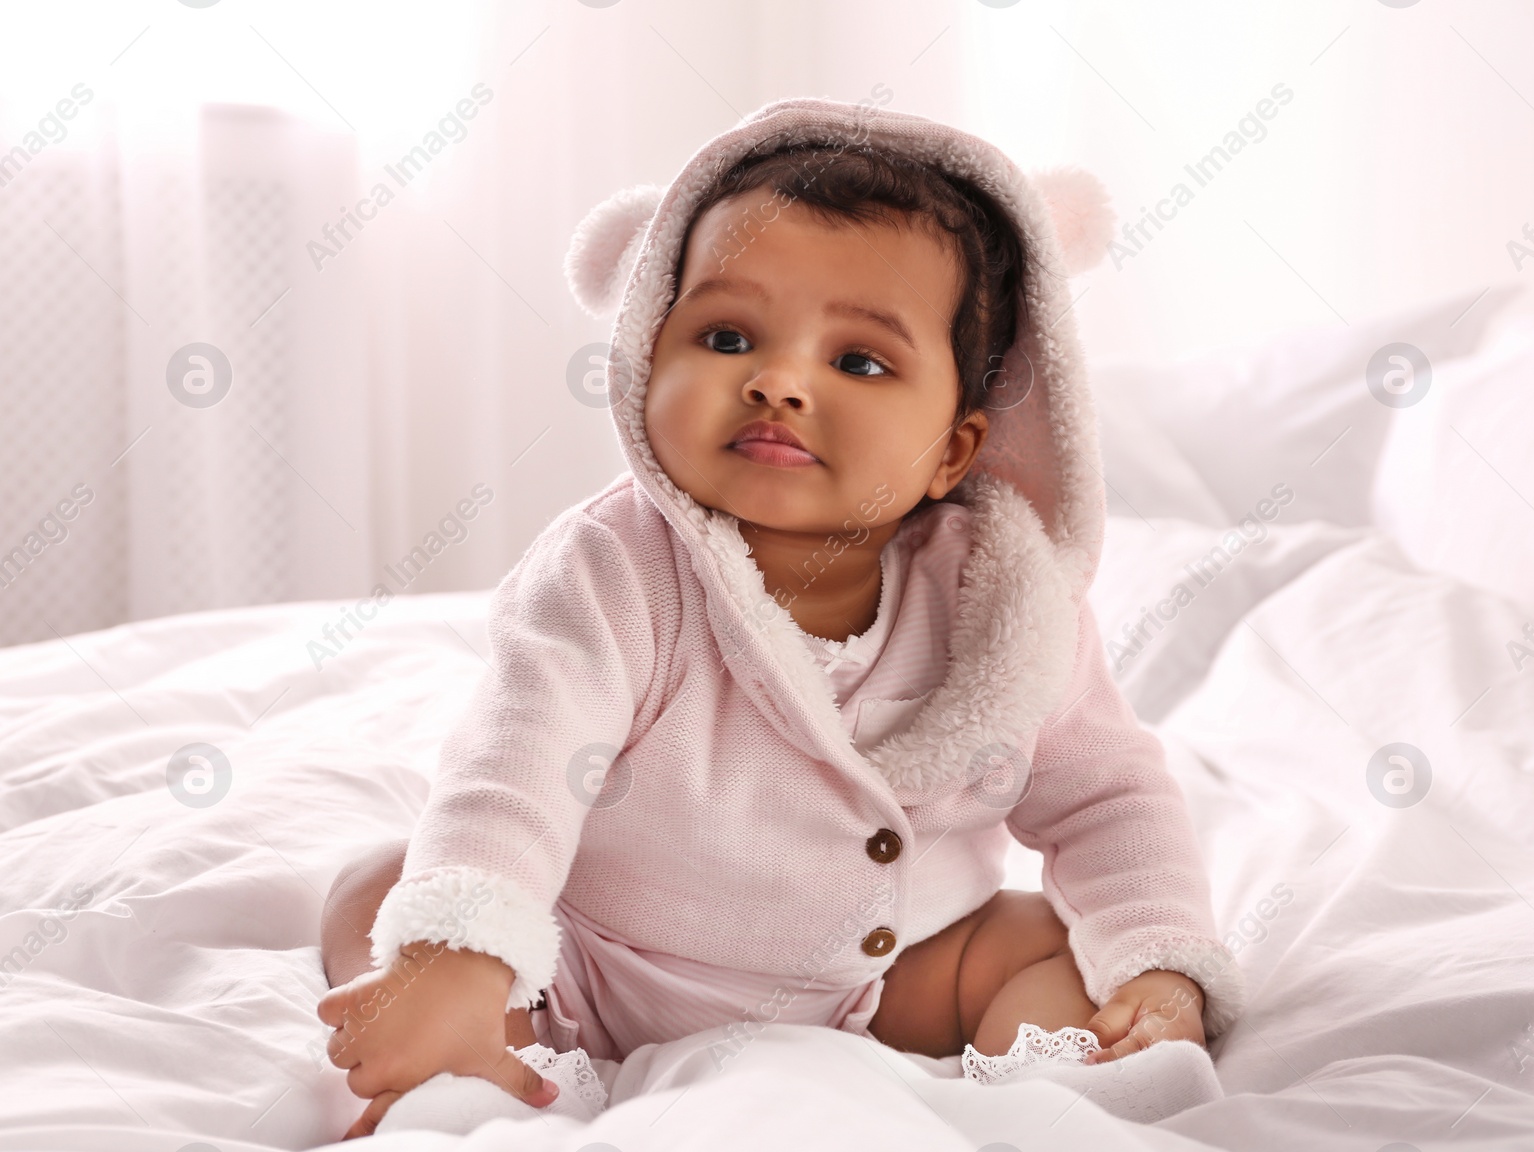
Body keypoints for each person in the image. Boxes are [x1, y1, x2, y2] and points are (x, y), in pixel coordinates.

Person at [316, 97, 1243, 1138]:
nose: (777, 382)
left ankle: (1056, 1097)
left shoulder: (1000, 603)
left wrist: (1159, 962)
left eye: (859, 362)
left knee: (1044, 941)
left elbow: (1106, 799)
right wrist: (460, 951)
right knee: (383, 890)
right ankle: (464, 1053)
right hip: (602, 973)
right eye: (724, 335)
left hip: (895, 979)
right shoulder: (613, 568)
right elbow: (513, 765)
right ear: (641, 355)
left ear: (953, 449)